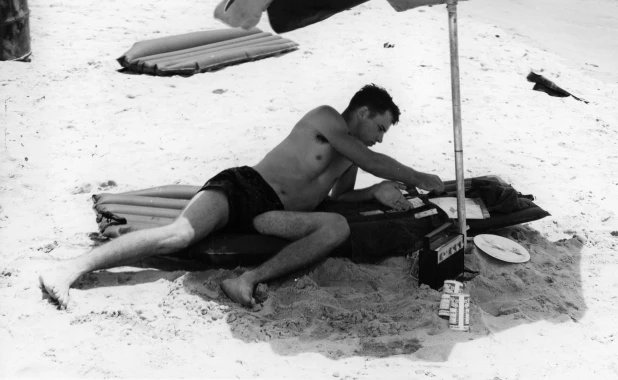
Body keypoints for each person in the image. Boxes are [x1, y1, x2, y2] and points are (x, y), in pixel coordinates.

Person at [39, 84, 444, 310]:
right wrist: (419, 177)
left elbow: (335, 203)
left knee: (335, 226)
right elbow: (371, 157)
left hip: (273, 216)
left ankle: (246, 280)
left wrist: (373, 193)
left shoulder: (348, 159)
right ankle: (72, 268)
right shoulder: (327, 119)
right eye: (381, 126)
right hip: (244, 188)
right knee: (179, 236)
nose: (380, 137)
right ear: (363, 113)